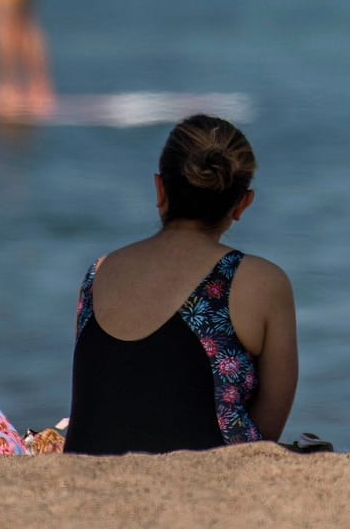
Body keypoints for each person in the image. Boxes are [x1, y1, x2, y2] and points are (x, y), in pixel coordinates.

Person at [65, 115, 298, 454]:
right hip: (210, 481)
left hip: (85, 478)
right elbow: (270, 425)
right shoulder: (262, 281)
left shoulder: (99, 272)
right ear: (243, 204)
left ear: (160, 189)